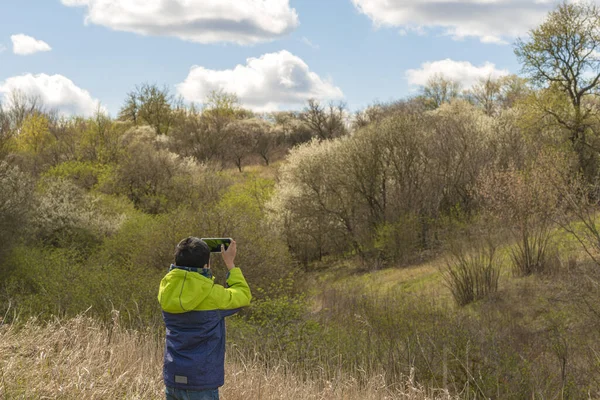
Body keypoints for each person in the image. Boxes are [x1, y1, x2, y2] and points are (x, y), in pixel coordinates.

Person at [158, 237, 251, 400]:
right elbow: (243, 295)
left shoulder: (165, 291)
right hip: (201, 380)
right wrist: (230, 264)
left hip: (173, 377)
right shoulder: (212, 295)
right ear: (206, 265)